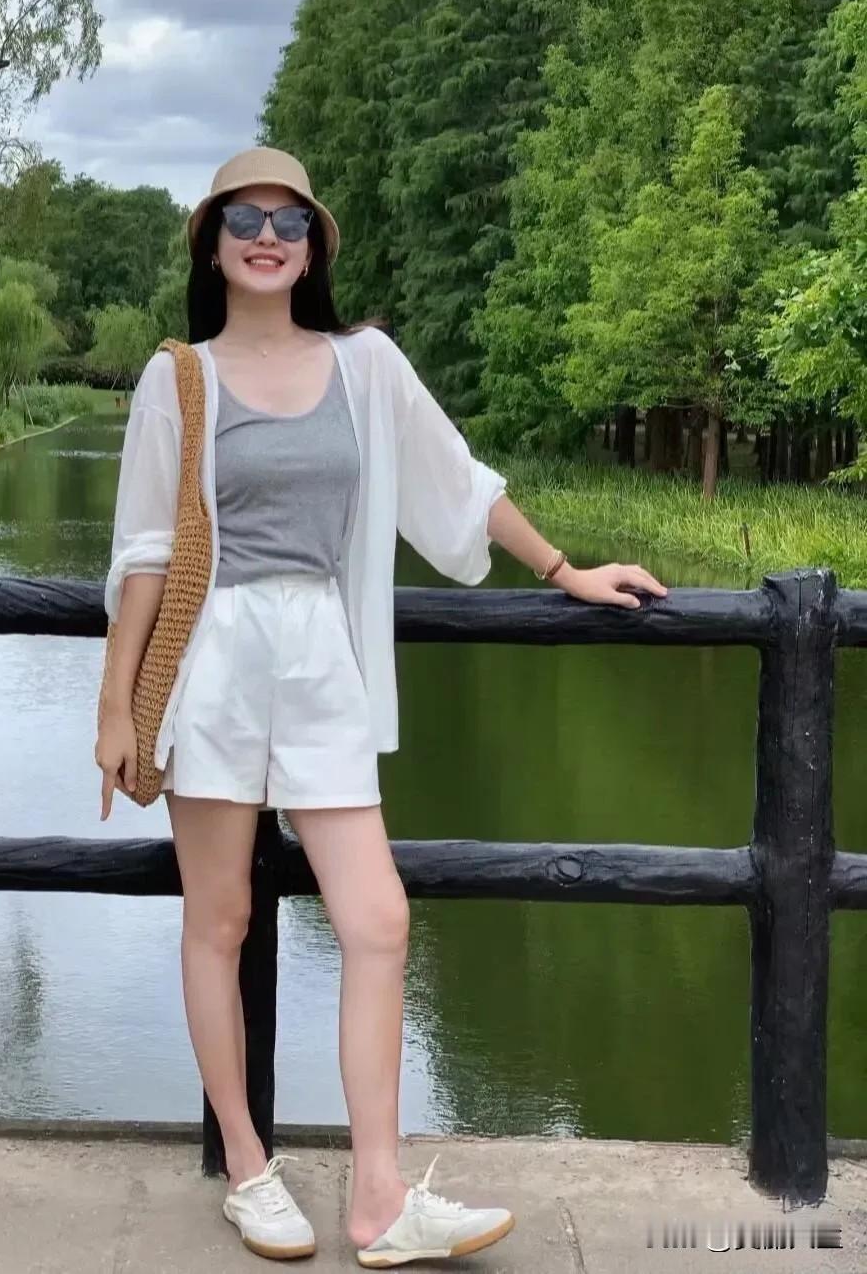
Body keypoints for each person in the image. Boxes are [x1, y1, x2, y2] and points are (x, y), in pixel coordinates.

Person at [96, 147, 667, 1267]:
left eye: (290, 221)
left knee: (378, 920)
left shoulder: (365, 364)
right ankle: (249, 1170)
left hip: (322, 655)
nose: (269, 237)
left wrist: (565, 570)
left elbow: (457, 480)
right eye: (246, 219)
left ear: (314, 247)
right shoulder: (179, 378)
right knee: (220, 920)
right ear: (213, 243)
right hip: (213, 662)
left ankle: (379, 1199)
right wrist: (116, 709)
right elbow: (146, 553)